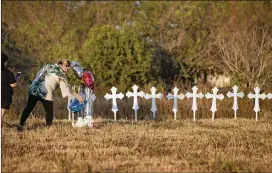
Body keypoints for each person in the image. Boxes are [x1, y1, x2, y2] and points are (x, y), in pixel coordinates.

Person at [18, 59, 83, 131]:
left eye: (68, 67)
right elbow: (68, 88)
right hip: (46, 92)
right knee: (49, 111)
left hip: (34, 88)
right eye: (66, 67)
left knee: (28, 108)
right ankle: (48, 127)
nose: (67, 69)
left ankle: (20, 125)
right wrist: (77, 96)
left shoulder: (48, 65)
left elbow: (38, 74)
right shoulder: (61, 74)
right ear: (61, 65)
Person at [1, 53, 18, 124]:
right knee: (1, 116)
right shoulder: (7, 73)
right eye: (6, 61)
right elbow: (13, 85)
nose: (6, 63)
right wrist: (17, 79)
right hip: (5, 98)